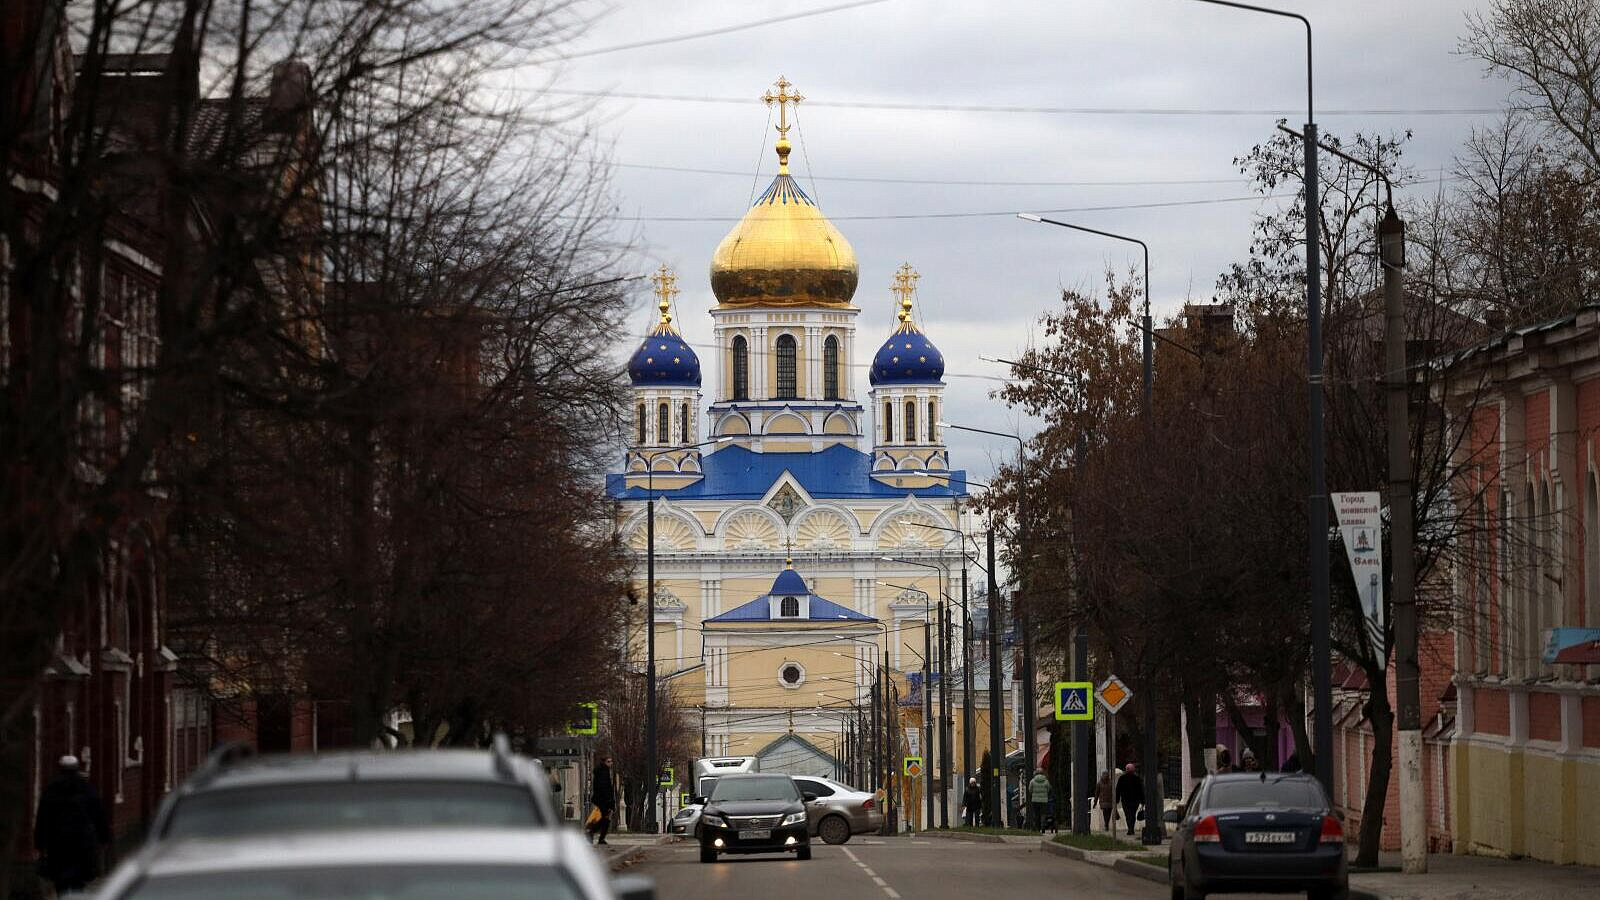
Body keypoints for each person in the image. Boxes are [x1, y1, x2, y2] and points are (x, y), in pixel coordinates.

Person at [34, 756, 110, 895]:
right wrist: (104, 838)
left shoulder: (51, 790)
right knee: (78, 880)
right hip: (81, 842)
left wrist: (40, 844)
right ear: (77, 769)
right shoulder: (86, 789)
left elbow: (42, 818)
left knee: (60, 880)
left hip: (57, 843)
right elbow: (99, 815)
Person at [589, 755, 616, 845]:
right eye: (608, 761)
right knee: (605, 819)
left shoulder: (602, 771)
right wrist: (610, 801)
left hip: (601, 799)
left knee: (605, 818)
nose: (610, 763)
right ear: (604, 762)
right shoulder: (603, 772)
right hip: (604, 800)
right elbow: (605, 787)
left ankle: (596, 834)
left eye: (611, 761)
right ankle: (593, 833)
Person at [1115, 763, 1144, 837]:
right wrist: (1143, 800)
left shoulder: (1122, 778)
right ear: (1133, 770)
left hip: (1125, 800)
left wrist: (1116, 800)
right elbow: (1141, 790)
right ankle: (1131, 828)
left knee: (1128, 815)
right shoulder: (1137, 778)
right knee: (1133, 814)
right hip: (1135, 800)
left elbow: (1118, 790)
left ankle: (1130, 829)